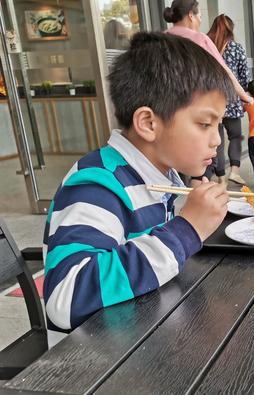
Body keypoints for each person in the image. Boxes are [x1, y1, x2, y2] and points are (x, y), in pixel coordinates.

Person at [43, 32, 233, 332]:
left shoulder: (158, 175)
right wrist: (186, 230)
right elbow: (65, 299)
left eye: (219, 125)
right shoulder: (97, 184)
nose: (217, 140)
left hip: (147, 336)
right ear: (148, 123)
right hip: (99, 364)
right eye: (205, 124)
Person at [163, 0, 253, 105]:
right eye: (200, 17)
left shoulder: (160, 39)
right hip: (194, 104)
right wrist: (245, 96)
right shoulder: (199, 39)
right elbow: (224, 71)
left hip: (167, 106)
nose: (200, 21)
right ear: (191, 15)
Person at [206, 14, 251, 185]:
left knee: (216, 140)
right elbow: (244, 76)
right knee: (236, 137)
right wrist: (245, 96)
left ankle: (220, 177)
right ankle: (234, 171)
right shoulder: (236, 48)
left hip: (211, 102)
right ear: (231, 29)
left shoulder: (207, 47)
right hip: (232, 101)